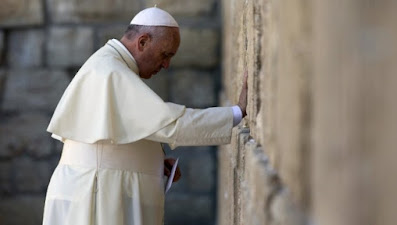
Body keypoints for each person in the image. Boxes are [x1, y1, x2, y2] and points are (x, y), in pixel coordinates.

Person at [42, 7, 248, 225]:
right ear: (142, 42)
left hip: (96, 189)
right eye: (165, 55)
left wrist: (153, 161)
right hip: (95, 196)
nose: (166, 65)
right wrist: (236, 113)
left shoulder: (110, 65)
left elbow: (116, 138)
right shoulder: (110, 71)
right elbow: (172, 124)